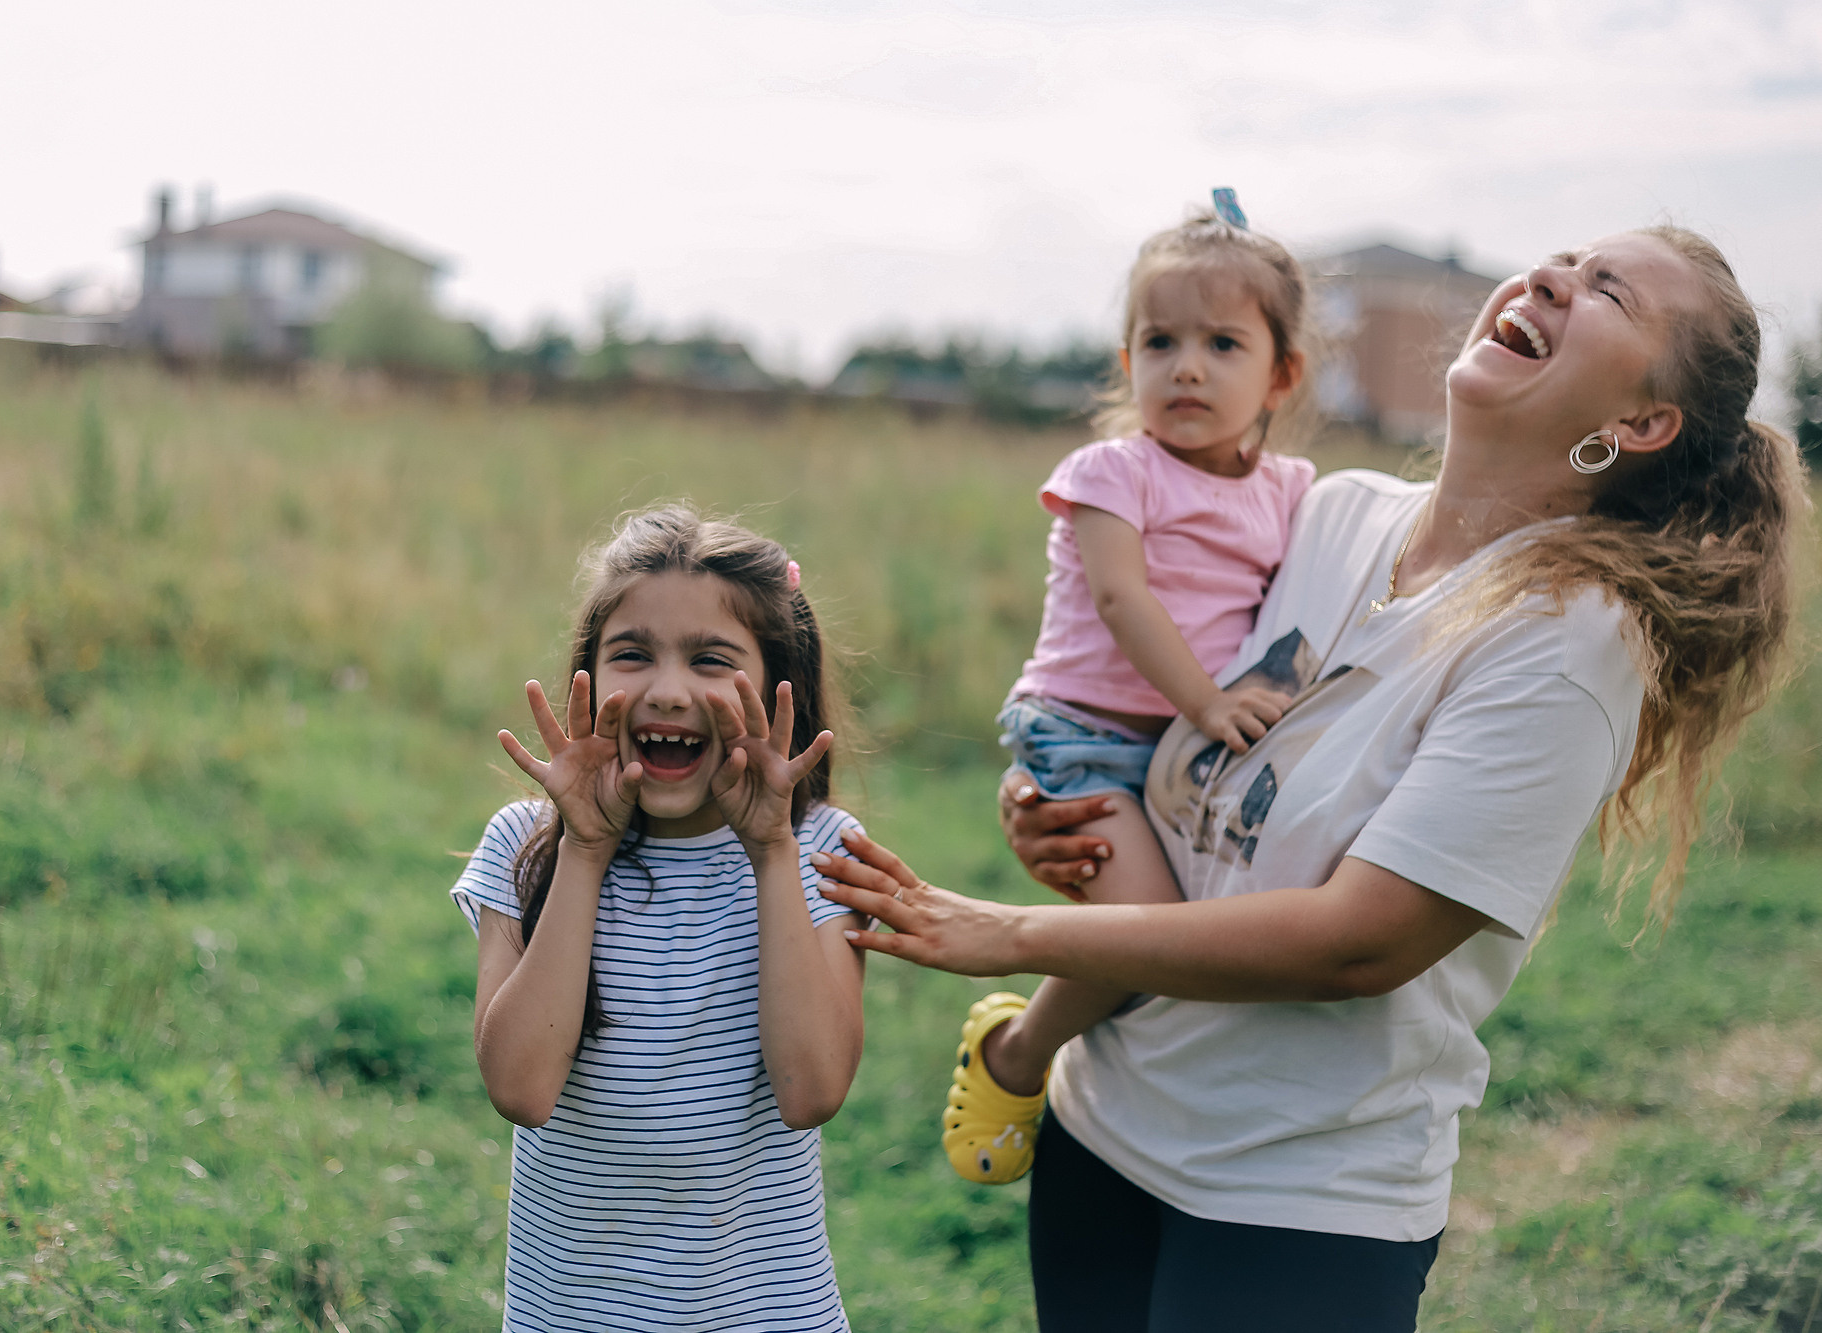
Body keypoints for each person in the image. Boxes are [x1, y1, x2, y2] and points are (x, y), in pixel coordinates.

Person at [815, 226, 1808, 1332]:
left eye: (1605, 290)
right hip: (1101, 1124)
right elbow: (1187, 748)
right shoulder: (1329, 512)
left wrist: (1012, 933)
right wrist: (1065, 806)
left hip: (1292, 1206)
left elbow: (1360, 939)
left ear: (1636, 424)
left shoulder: (1568, 639)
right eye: (1561, 259)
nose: (1549, 279)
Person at [950, 196, 1316, 1187]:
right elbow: (1120, 597)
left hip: (1180, 755)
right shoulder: (1113, 470)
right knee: (1138, 939)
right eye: (1158, 341)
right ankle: (1015, 1055)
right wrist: (1204, 703)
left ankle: (1082, 1068)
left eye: (1221, 343)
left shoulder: (1290, 492)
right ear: (1125, 363)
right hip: (1082, 735)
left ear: (1279, 373)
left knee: (1164, 943)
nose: (1185, 365)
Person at [453, 507, 866, 1331]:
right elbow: (521, 1088)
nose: (669, 690)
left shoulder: (821, 852)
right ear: (590, 675)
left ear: (778, 688)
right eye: (632, 653)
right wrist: (584, 849)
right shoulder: (524, 846)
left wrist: (772, 852)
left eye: (711, 659)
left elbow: (812, 1089)